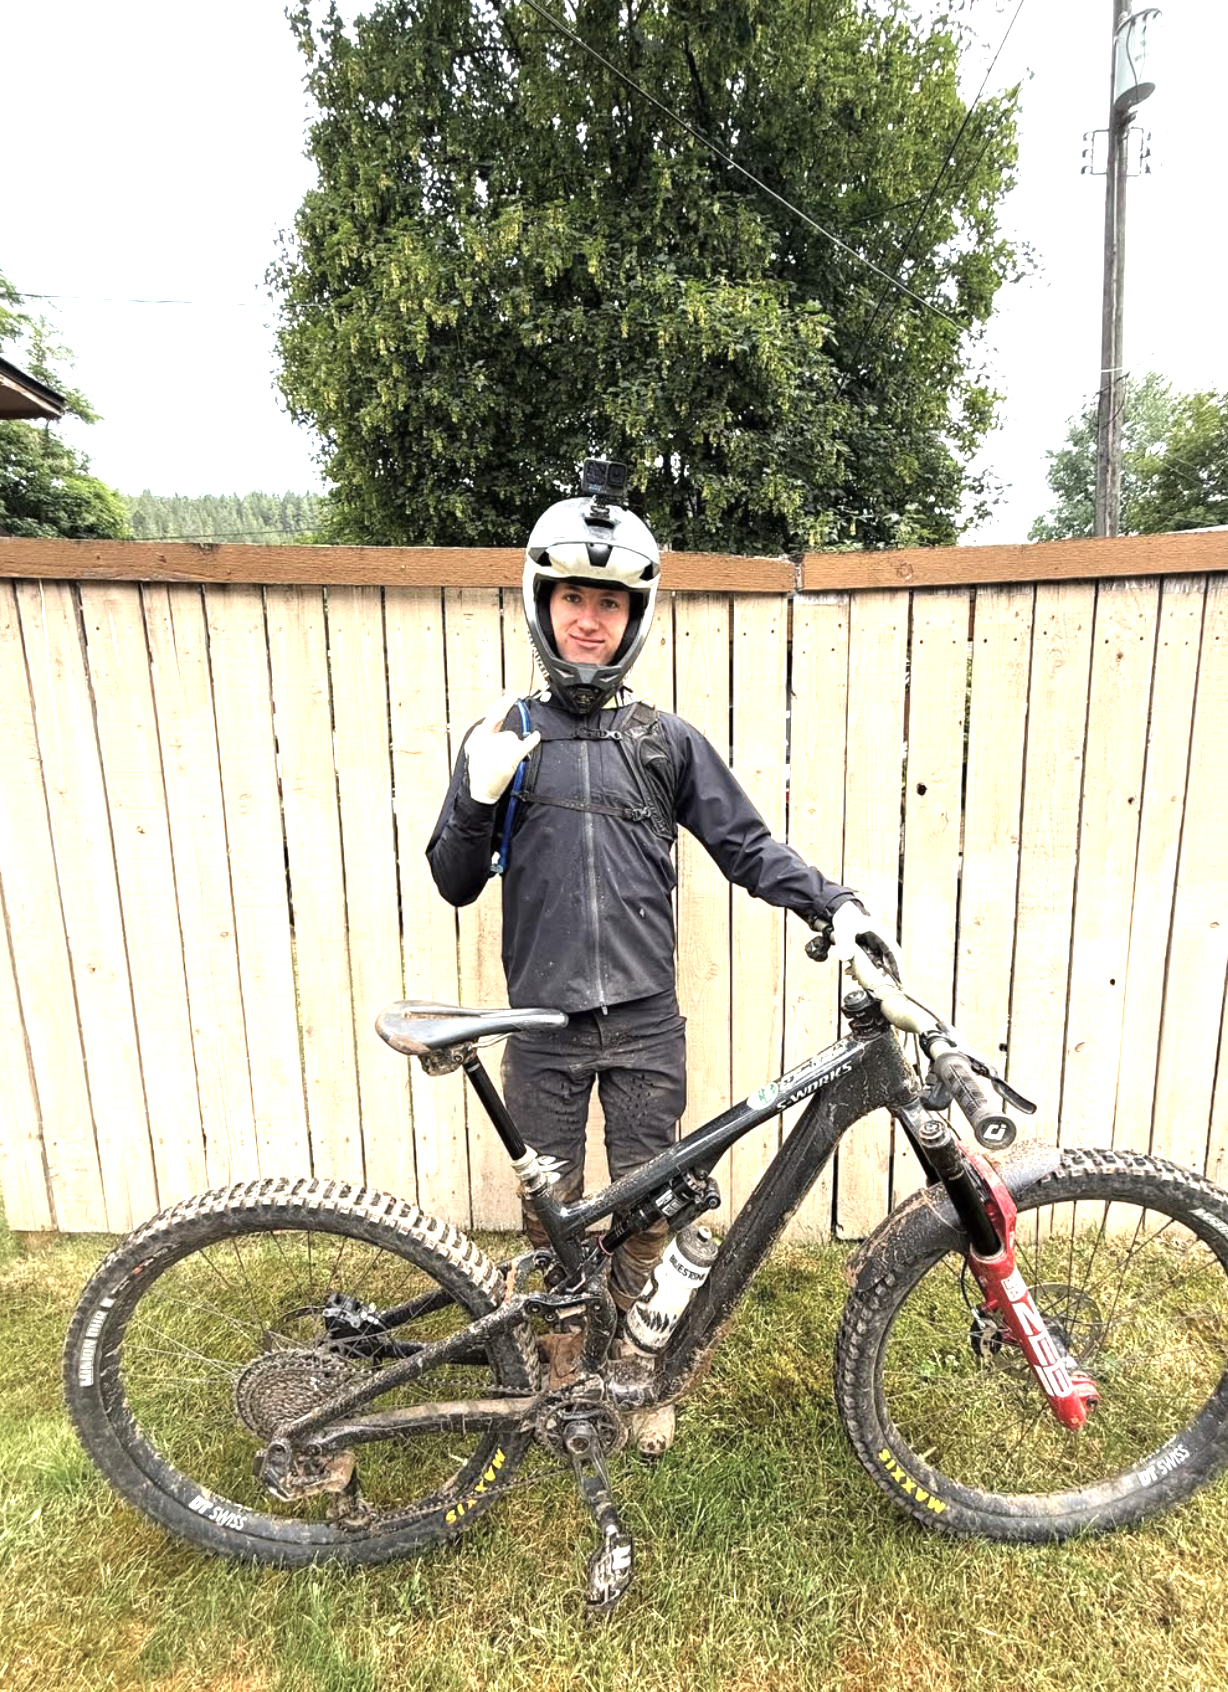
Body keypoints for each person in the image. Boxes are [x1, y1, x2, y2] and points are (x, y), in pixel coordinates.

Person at [426, 476, 899, 1450]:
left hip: (643, 1021)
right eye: (574, 599)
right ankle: (562, 1382)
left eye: (608, 603)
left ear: (631, 616)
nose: (590, 619)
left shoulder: (663, 741)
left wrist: (834, 902)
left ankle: (634, 1361)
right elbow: (453, 880)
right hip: (542, 1030)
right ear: (542, 605)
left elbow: (745, 845)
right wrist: (476, 799)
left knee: (650, 1202)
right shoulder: (506, 738)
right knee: (553, 1222)